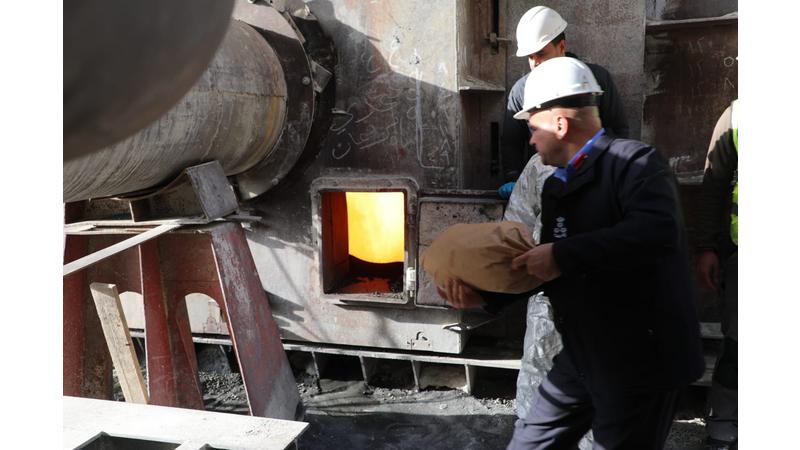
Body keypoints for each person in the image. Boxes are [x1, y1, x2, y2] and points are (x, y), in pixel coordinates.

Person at [438, 57, 704, 449]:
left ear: (560, 125)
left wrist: (561, 255)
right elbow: (544, 266)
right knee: (531, 441)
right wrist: (487, 298)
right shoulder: (557, 186)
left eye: (533, 129)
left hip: (641, 359)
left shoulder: (637, 164)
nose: (530, 141)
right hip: (582, 352)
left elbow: (655, 233)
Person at [498, 6, 629, 199]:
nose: (535, 62)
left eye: (541, 53)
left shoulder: (594, 80)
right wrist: (514, 178)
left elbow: (619, 130)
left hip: (594, 179)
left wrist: (601, 168)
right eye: (530, 57)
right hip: (544, 184)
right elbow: (511, 143)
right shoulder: (520, 91)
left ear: (561, 46)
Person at [695, 100, 738, 450]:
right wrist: (707, 246)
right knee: (739, 345)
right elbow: (714, 185)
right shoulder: (739, 115)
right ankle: (722, 431)